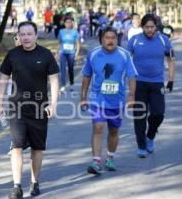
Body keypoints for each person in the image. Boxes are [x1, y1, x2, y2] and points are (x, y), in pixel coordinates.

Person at [0, 21, 59, 199]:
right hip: (17, 108)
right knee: (16, 147)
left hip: (39, 109)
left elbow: (54, 80)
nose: (26, 37)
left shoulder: (45, 55)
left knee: (37, 148)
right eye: (22, 34)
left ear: (36, 35)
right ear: (19, 36)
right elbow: (3, 79)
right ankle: (16, 186)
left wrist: (53, 104)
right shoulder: (12, 55)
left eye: (29, 34)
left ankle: (34, 181)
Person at [80, 26, 137, 175]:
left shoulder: (125, 55)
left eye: (113, 38)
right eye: (107, 38)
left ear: (117, 39)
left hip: (116, 101)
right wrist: (83, 97)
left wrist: (131, 96)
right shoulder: (93, 54)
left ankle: (110, 158)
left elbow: (132, 76)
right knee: (98, 127)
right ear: (101, 40)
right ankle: (96, 161)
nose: (110, 40)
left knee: (113, 130)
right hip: (97, 99)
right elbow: (86, 75)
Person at [127, 14, 176, 158]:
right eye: (147, 27)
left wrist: (171, 80)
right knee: (139, 116)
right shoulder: (134, 41)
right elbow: (124, 59)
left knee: (158, 114)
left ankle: (150, 135)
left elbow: (171, 60)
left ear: (156, 27)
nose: (149, 29)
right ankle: (141, 146)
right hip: (139, 83)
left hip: (157, 83)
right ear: (142, 27)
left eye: (152, 27)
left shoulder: (163, 40)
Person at [57, 17, 80, 93]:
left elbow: (77, 44)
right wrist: (57, 53)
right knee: (62, 69)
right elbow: (59, 43)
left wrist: (76, 54)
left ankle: (71, 84)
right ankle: (63, 86)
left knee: (70, 69)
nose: (68, 24)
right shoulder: (61, 31)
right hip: (62, 53)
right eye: (67, 22)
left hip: (71, 53)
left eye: (70, 22)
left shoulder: (74, 32)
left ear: (72, 23)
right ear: (64, 23)